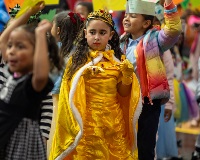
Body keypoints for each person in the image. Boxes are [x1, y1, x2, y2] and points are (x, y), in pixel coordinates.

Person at [49, 9, 142, 160]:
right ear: (85, 33)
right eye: (92, 32)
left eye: (102, 33)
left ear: (111, 35)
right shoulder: (77, 61)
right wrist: (82, 76)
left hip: (113, 123)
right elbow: (69, 90)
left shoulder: (116, 62)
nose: (97, 37)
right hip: (88, 123)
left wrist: (126, 77)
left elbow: (123, 94)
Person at [120, 0, 182, 159]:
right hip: (125, 102)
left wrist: (169, 5)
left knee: (145, 146)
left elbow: (173, 30)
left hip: (147, 103)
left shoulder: (155, 40)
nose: (126, 18)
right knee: (124, 144)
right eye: (126, 15)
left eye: (132, 16)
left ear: (146, 22)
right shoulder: (121, 42)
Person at [0, 2, 62, 159]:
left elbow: (41, 76)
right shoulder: (9, 71)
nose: (12, 51)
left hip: (19, 142)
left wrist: (41, 35)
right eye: (11, 46)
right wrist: (28, 12)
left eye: (21, 47)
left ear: (37, 54)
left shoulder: (32, 82)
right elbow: (3, 40)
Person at [47, 11, 85, 157]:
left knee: (53, 134)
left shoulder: (54, 49)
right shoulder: (80, 52)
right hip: (72, 101)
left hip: (54, 100)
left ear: (57, 30)